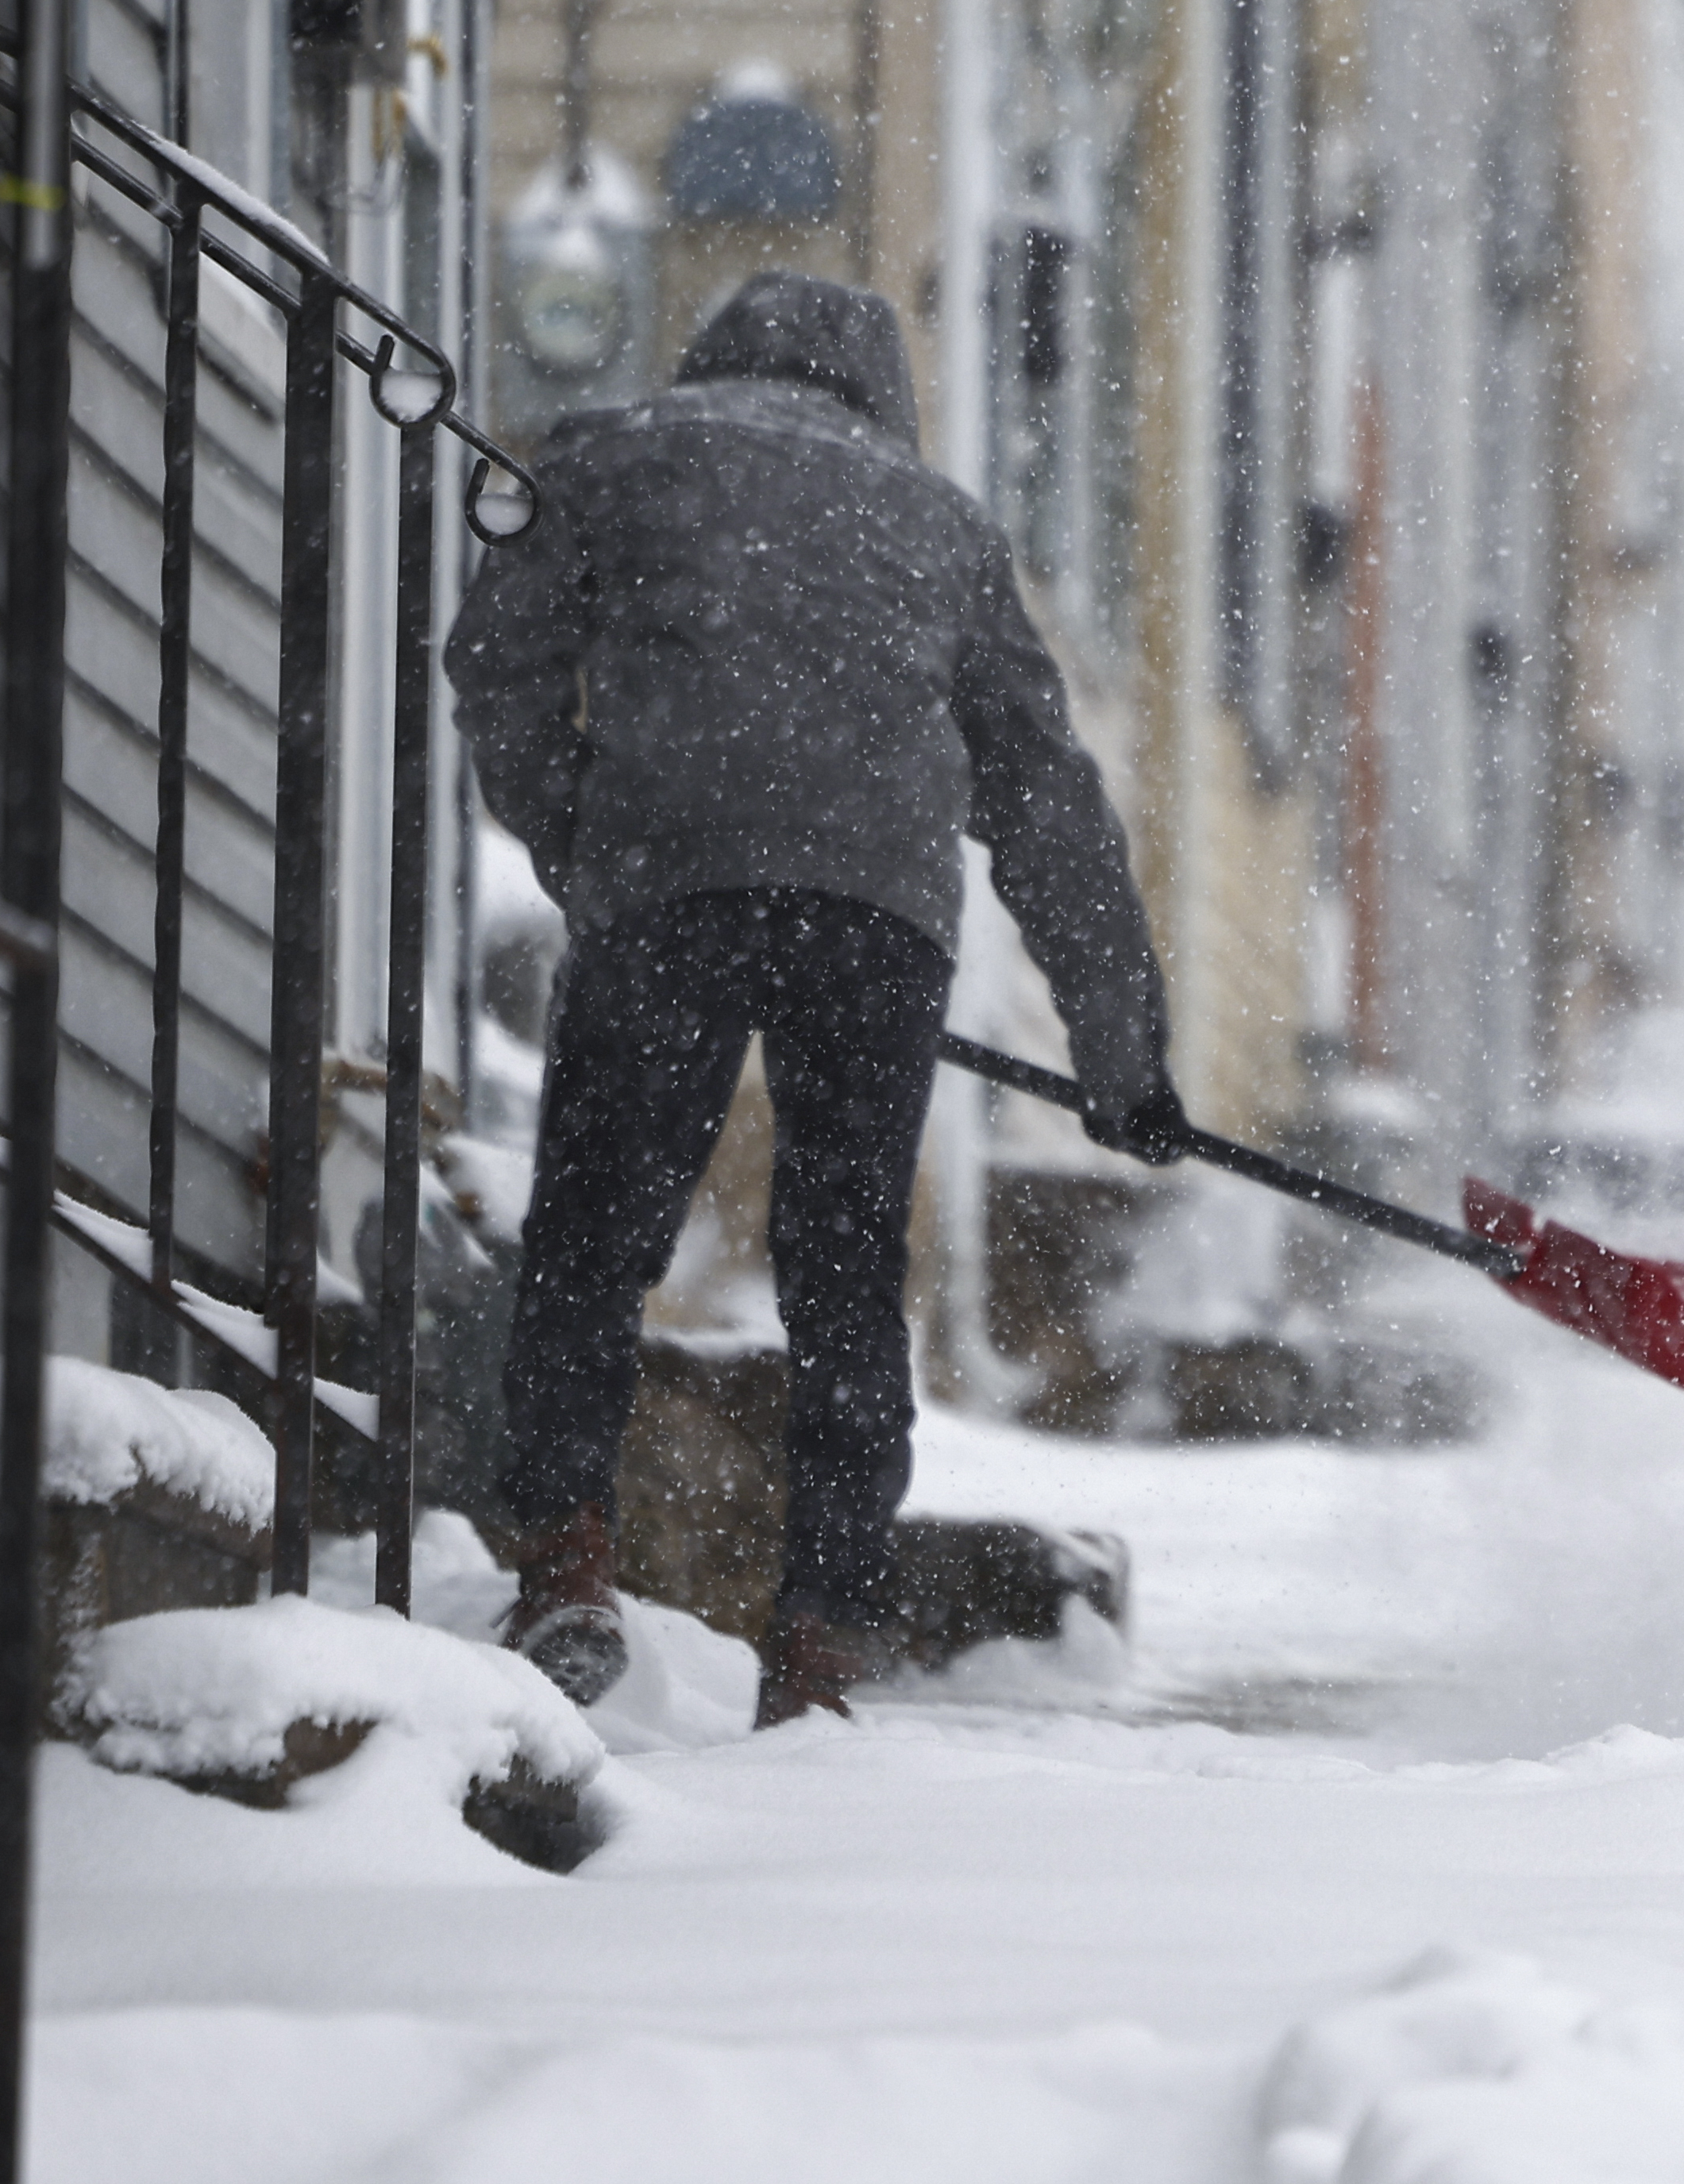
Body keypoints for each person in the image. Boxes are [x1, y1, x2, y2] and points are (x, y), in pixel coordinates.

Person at [445, 272, 1189, 1724]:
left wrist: (583, 840)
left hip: (667, 873)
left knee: (596, 1230)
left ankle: (564, 1563)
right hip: (876, 919)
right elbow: (1046, 798)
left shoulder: (614, 449)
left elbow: (500, 663)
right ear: (881, 394)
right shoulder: (943, 525)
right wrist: (1121, 1051)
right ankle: (826, 1635)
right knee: (847, 1276)